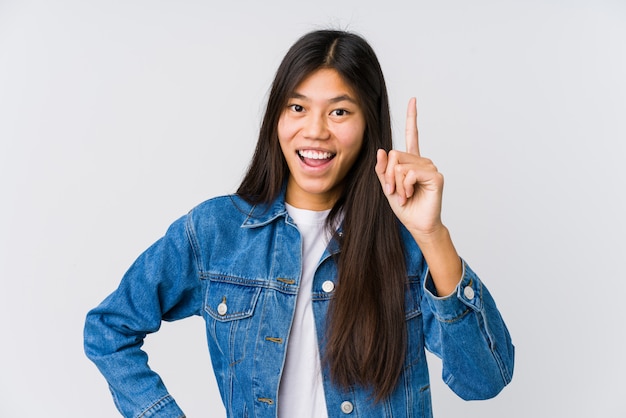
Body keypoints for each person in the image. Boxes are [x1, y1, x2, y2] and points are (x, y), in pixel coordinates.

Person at [84, 29, 514, 418]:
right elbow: (109, 329)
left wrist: (432, 235)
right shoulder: (217, 232)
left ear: (369, 125)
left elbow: (485, 380)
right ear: (277, 118)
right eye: (297, 107)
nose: (315, 131)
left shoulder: (404, 244)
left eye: (339, 112)